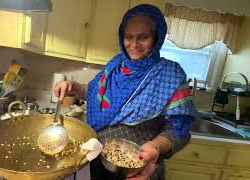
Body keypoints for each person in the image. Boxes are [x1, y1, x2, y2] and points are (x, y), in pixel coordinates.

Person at [54, 4, 196, 180]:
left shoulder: (170, 75)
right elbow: (93, 93)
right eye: (129, 37)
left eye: (143, 37)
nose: (134, 44)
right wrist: (73, 87)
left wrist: (155, 147)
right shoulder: (116, 65)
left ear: (156, 38)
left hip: (139, 168)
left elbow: (179, 130)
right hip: (98, 161)